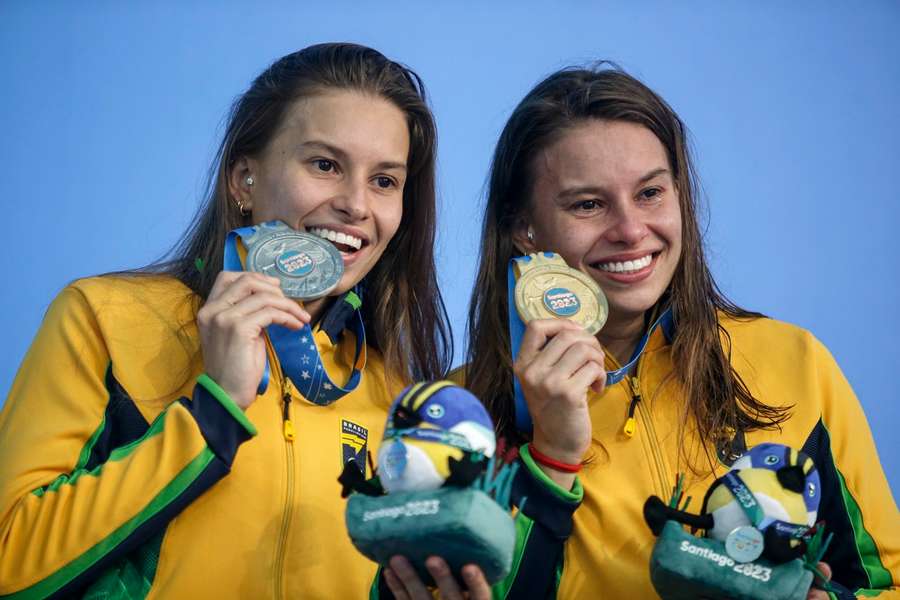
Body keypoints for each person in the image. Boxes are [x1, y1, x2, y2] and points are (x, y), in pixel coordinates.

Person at [385, 64, 900, 599]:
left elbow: (883, 579)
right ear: (524, 228)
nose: (631, 231)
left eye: (650, 193)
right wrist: (552, 458)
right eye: (588, 204)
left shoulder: (792, 359)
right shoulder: (455, 416)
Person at [0, 43, 455, 598]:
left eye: (385, 180)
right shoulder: (105, 317)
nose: (357, 205)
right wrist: (211, 413)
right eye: (325, 165)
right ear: (245, 178)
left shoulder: (395, 392)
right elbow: (10, 559)